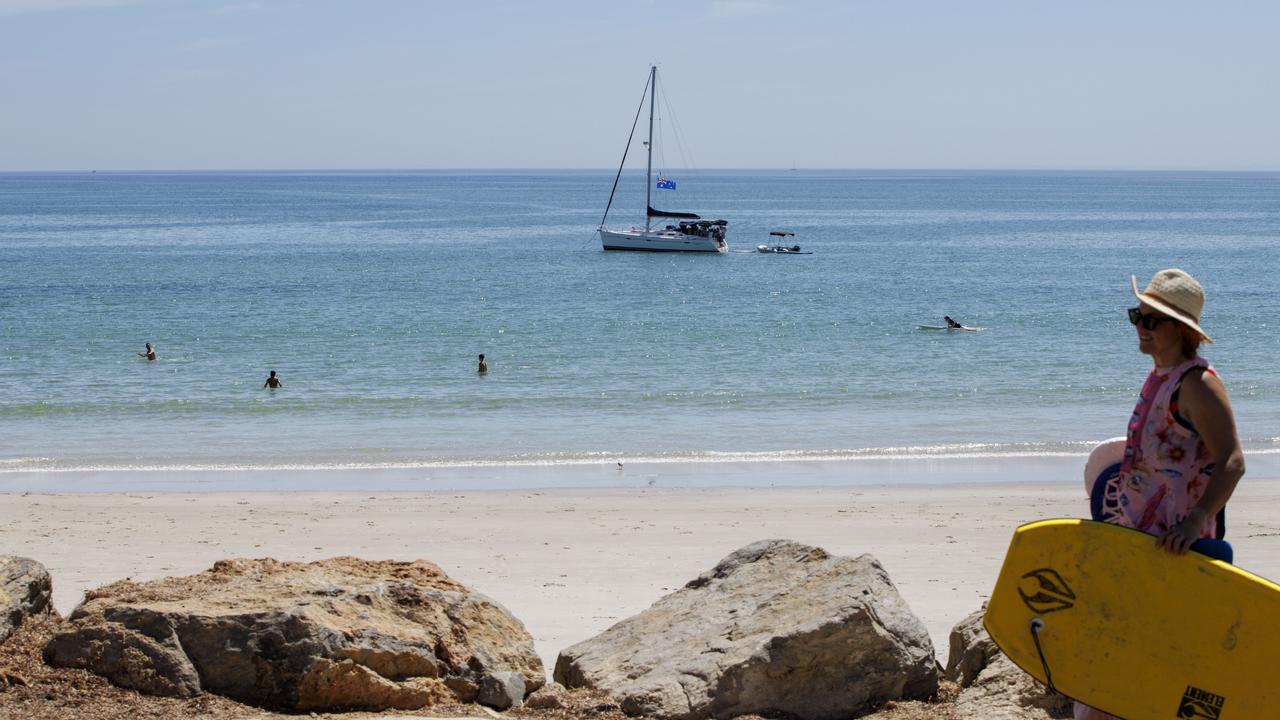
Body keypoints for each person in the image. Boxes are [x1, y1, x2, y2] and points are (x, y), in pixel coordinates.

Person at [1076, 269, 1245, 720]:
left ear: (1183, 330)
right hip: (1138, 540)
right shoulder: (1161, 377)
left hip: (1175, 546)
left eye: (1153, 319)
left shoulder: (1197, 384)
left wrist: (1194, 522)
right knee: (1119, 658)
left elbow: (1232, 460)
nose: (1141, 327)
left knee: (1152, 660)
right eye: (1137, 315)